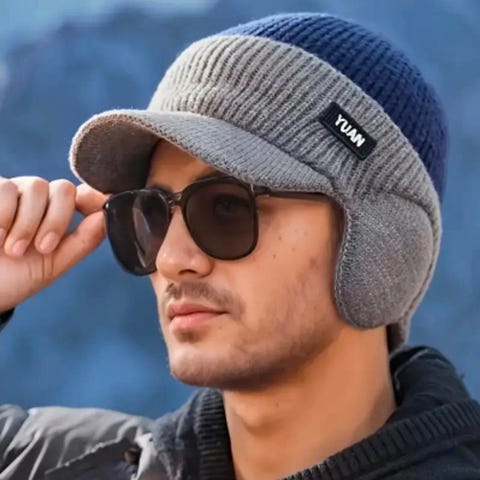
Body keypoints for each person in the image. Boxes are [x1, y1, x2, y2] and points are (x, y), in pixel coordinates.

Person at [0, 12, 479, 480]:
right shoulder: (51, 464)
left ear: (383, 245)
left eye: (226, 208)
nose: (170, 258)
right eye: (151, 214)